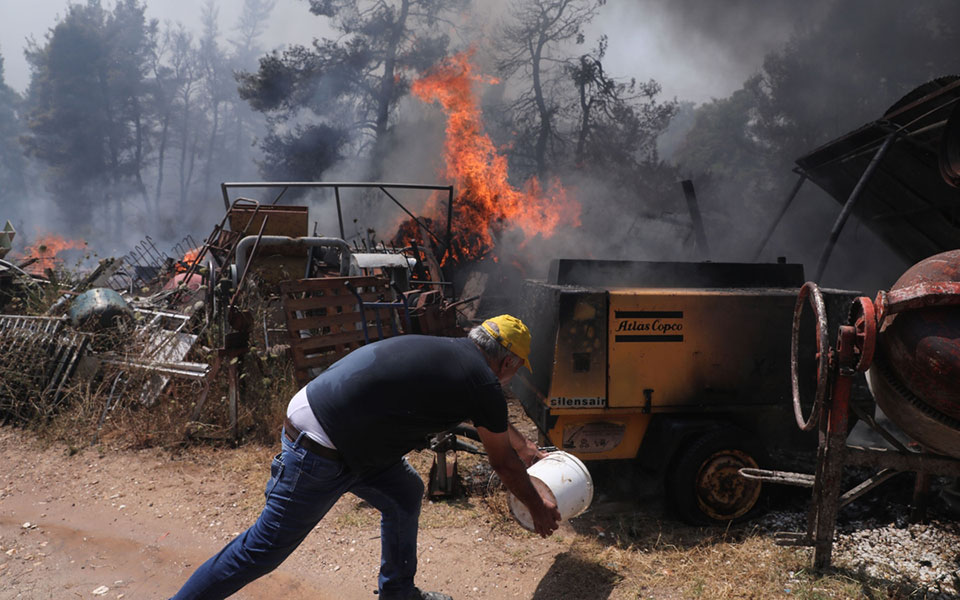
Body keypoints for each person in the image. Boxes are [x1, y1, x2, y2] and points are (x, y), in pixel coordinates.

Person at [170, 314, 562, 600]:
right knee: (262, 551)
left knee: (404, 492)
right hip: (323, 446)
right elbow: (503, 464)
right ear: (507, 362)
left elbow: (488, 423)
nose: (512, 376)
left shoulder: (453, 354)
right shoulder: (482, 383)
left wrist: (525, 448)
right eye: (516, 369)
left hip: (335, 425)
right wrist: (538, 507)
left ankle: (398, 593)